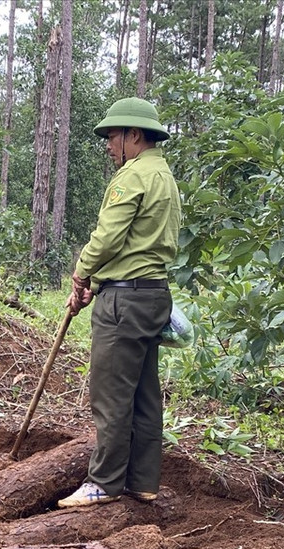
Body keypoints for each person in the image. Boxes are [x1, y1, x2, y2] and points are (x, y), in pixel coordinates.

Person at [58, 97, 182, 509]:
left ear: (134, 135)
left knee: (110, 393)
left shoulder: (132, 177)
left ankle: (104, 482)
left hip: (123, 303)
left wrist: (82, 272)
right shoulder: (164, 175)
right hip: (153, 296)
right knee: (145, 393)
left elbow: (109, 237)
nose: (109, 145)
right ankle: (142, 481)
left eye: (113, 136)